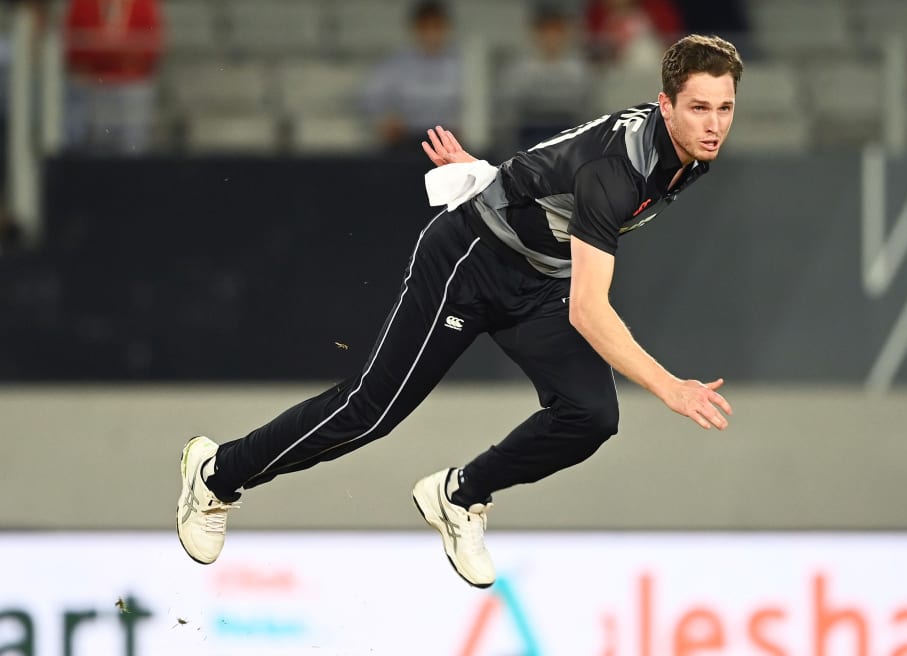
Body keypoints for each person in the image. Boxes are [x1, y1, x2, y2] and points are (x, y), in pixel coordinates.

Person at [177, 34, 741, 589]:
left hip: (541, 277)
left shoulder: (687, 153)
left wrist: (497, 176)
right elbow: (590, 310)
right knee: (372, 411)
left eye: (724, 108)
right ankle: (216, 476)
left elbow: (561, 160)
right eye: (698, 108)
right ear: (665, 106)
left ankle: (458, 496)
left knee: (590, 416)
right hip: (471, 260)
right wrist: (670, 387)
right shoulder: (619, 172)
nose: (713, 124)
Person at [62, 0, 164, 154]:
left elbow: (151, 49)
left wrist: (106, 55)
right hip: (93, 86)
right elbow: (73, 50)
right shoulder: (82, 4)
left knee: (132, 140)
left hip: (129, 86)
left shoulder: (144, 4)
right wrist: (116, 54)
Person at [360, 1, 462, 152]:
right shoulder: (396, 63)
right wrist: (385, 119)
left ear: (446, 28)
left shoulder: (462, 63)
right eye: (426, 27)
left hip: (450, 140)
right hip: (405, 139)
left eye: (436, 27)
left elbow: (473, 104)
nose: (431, 34)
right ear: (416, 29)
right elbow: (370, 98)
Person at [499, 4, 591, 149]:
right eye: (545, 31)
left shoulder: (580, 69)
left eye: (556, 31)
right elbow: (510, 111)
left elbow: (587, 110)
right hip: (528, 135)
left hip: (569, 133)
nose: (551, 37)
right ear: (535, 33)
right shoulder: (519, 69)